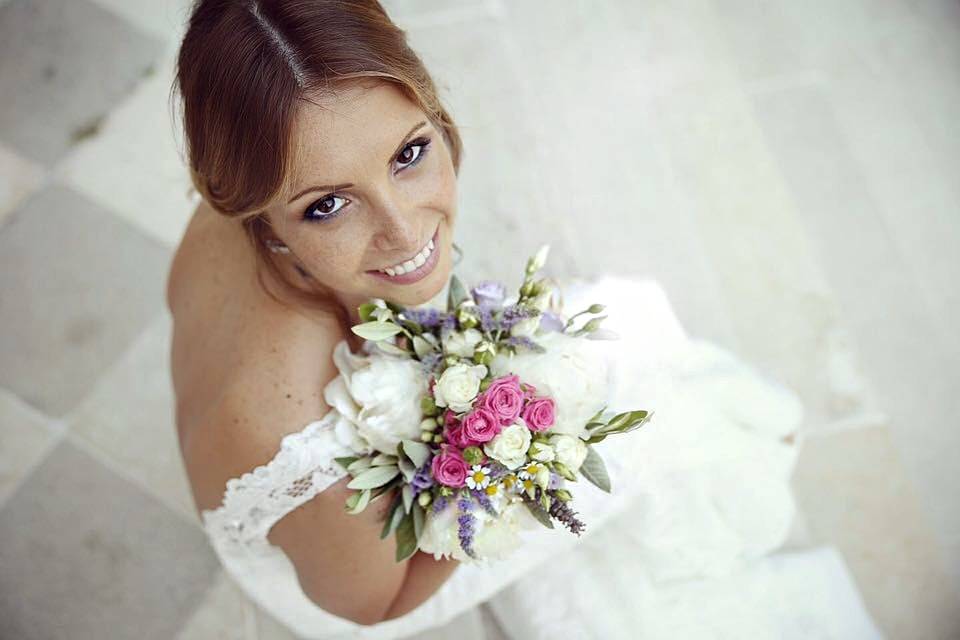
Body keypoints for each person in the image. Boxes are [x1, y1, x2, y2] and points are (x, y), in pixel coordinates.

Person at [166, 2, 882, 639]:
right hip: (355, 577)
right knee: (641, 390)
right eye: (329, 205)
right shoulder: (301, 439)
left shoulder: (254, 178)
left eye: (409, 153)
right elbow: (376, 607)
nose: (403, 229)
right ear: (261, 213)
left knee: (625, 341)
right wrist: (491, 468)